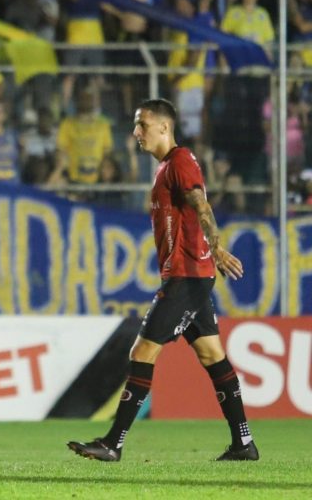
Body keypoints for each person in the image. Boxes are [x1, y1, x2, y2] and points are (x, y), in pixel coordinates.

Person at [68, 98, 256, 462]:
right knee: (212, 354)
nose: (136, 132)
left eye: (142, 124)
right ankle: (243, 443)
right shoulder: (167, 166)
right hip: (192, 276)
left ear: (164, 128)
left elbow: (201, 203)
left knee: (142, 351)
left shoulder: (180, 161)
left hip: (186, 278)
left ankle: (113, 443)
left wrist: (217, 248)